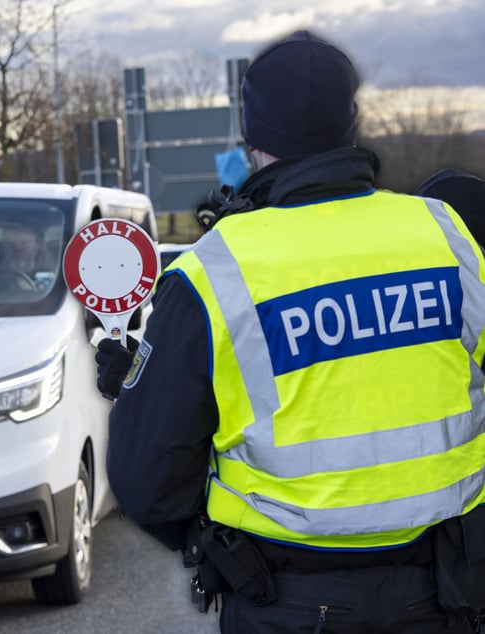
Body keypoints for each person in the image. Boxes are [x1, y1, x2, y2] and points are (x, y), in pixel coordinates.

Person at [98, 30, 485, 633]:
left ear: (252, 140)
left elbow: (147, 483)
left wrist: (217, 542)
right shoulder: (447, 235)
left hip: (288, 599)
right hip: (446, 592)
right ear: (350, 126)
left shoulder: (213, 270)